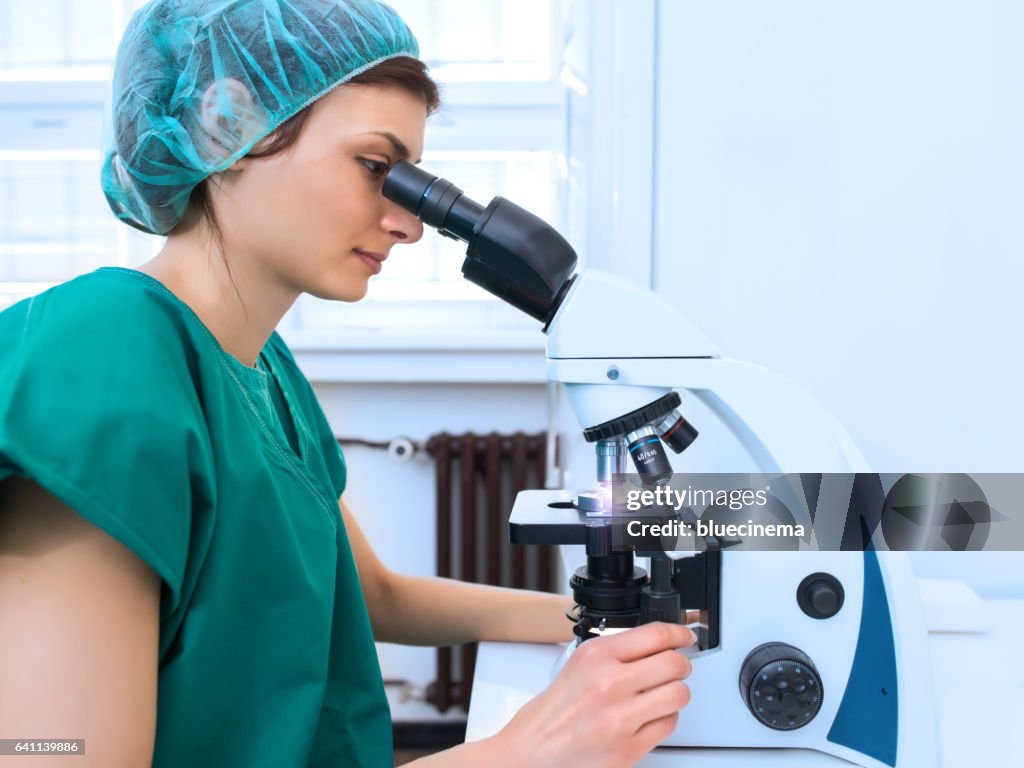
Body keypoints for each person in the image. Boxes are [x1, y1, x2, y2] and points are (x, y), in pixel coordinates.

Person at [0, 1, 694, 766]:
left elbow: (373, 594)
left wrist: (605, 623)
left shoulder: (261, 366)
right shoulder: (99, 355)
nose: (408, 223)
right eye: (376, 167)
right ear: (228, 127)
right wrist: (526, 750)